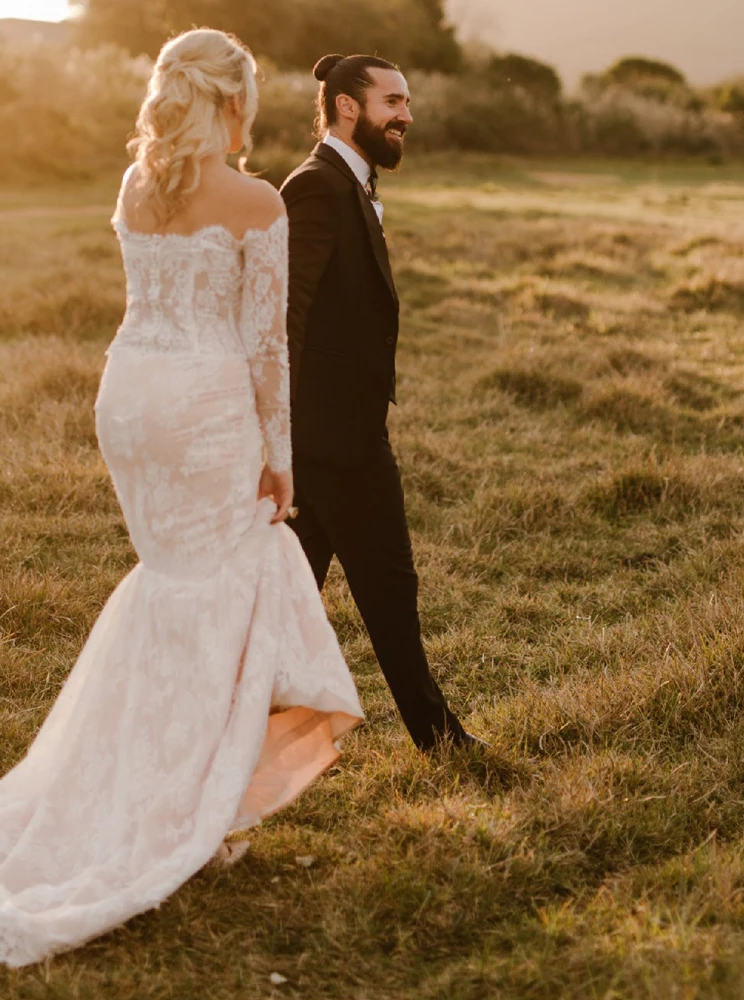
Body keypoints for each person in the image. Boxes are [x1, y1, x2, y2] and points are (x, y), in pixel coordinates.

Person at [0, 29, 363, 968]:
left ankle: (177, 792)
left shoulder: (140, 186)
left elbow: (145, 303)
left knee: (176, 583)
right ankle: (182, 808)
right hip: (204, 410)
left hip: (129, 399)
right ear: (233, 105)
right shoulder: (259, 201)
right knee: (225, 581)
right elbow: (266, 351)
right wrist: (280, 457)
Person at [280, 53, 484, 751]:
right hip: (333, 443)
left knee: (286, 603)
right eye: (393, 101)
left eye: (407, 101)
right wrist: (282, 432)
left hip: (332, 436)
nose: (407, 115)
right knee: (390, 589)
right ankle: (439, 739)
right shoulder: (317, 187)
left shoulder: (349, 183)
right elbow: (287, 312)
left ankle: (232, 740)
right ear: (345, 106)